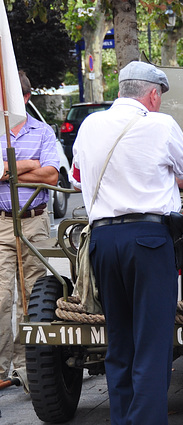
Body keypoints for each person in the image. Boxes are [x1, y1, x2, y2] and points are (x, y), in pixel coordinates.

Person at [71, 61, 183, 425]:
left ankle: (123, 420)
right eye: (159, 96)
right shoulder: (160, 124)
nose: (159, 102)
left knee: (119, 342)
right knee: (152, 343)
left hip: (102, 239)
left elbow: (77, 177)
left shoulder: (90, 125)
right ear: (151, 93)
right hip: (148, 239)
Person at [0, 71, 60, 380]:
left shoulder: (43, 132)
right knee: (1, 296)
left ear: (25, 98)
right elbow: (40, 168)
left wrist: (7, 170)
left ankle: (27, 367)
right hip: (2, 223)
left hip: (35, 221)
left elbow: (51, 176)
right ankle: (1, 367)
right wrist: (29, 165)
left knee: (32, 296)